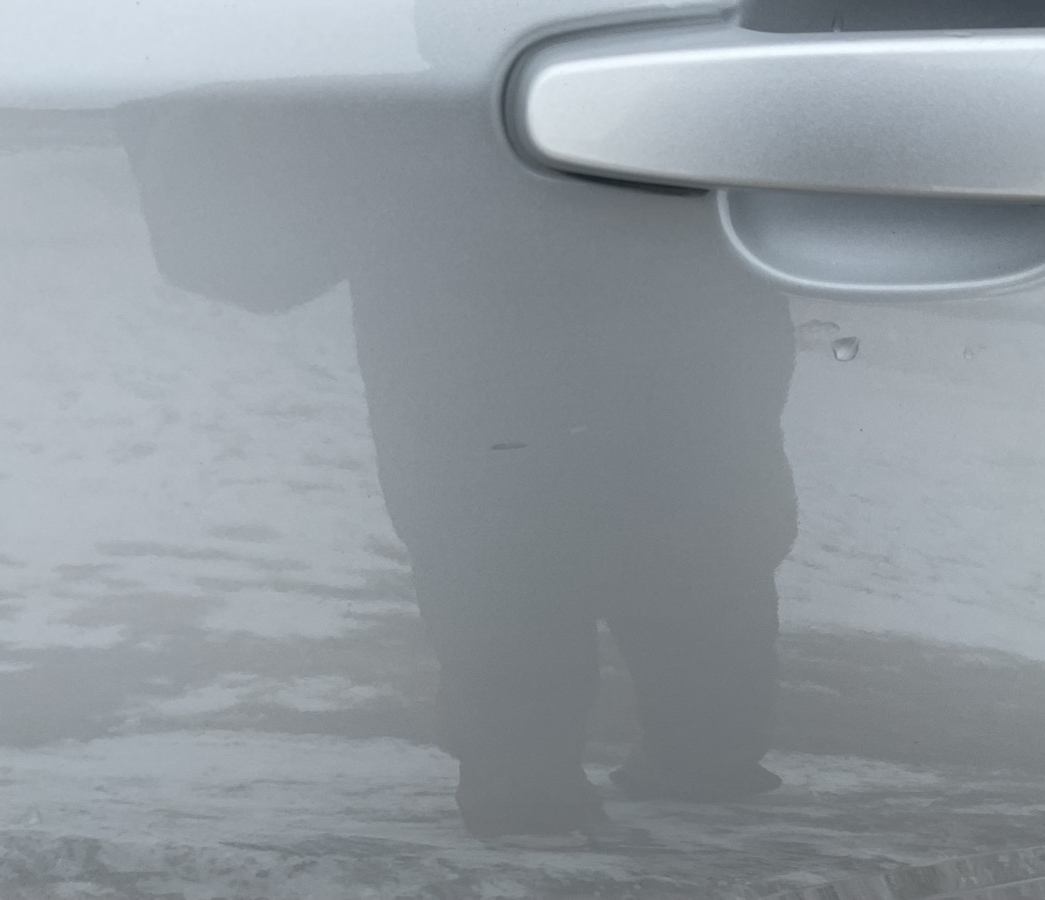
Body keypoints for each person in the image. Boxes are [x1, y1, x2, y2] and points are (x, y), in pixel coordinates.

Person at [119, 20, 797, 839]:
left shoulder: (398, 122)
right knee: (697, 553)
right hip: (692, 416)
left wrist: (160, 112)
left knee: (504, 569)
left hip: (486, 431)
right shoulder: (697, 88)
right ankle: (698, 752)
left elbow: (249, 263)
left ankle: (535, 782)